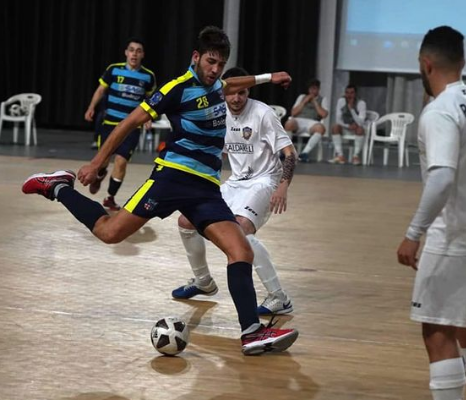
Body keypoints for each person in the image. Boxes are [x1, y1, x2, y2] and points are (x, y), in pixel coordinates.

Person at [22, 26, 298, 356]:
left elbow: (234, 83)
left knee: (240, 250)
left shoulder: (218, 85)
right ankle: (57, 187)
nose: (215, 70)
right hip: (172, 179)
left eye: (220, 64)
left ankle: (251, 332)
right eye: (210, 62)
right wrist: (97, 162)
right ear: (196, 57)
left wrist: (269, 77)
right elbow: (129, 122)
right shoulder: (175, 89)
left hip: (206, 188)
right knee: (109, 233)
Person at [396, 26, 466, 400]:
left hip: (455, 240)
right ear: (463, 61)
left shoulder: (439, 111)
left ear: (425, 64)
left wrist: (414, 233)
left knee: (437, 331)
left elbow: (442, 176)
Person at [172, 66, 296, 316]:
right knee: (186, 221)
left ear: (248, 91)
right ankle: (203, 281)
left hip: (264, 181)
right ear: (223, 91)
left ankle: (279, 297)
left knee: (241, 231)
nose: (237, 98)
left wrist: (283, 185)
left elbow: (290, 153)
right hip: (236, 182)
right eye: (232, 93)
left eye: (242, 92)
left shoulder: (263, 113)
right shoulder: (216, 114)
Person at [84, 38, 157, 211]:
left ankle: (110, 197)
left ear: (143, 55)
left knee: (121, 161)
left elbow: (151, 100)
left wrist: (148, 117)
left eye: (138, 51)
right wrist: (91, 107)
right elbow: (101, 90)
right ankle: (100, 174)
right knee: (103, 161)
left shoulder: (148, 76)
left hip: (131, 127)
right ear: (126, 53)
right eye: (131, 50)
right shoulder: (114, 69)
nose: (134, 54)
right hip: (110, 123)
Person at [284, 78, 328, 163]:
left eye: (315, 89)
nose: (312, 91)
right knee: (289, 124)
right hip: (299, 120)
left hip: (313, 122)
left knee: (321, 128)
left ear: (318, 89)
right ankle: (287, 152)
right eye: (311, 88)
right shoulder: (302, 97)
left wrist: (315, 102)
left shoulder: (322, 99)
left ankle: (305, 153)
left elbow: (324, 115)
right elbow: (293, 112)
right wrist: (304, 102)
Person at [328, 84, 367, 165]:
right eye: (347, 93)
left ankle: (355, 156)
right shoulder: (341, 101)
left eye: (351, 93)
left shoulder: (361, 103)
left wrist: (351, 109)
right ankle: (340, 155)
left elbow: (360, 122)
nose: (349, 95)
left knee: (360, 129)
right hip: (345, 127)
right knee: (335, 127)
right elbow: (338, 120)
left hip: (356, 128)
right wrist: (348, 126)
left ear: (355, 94)